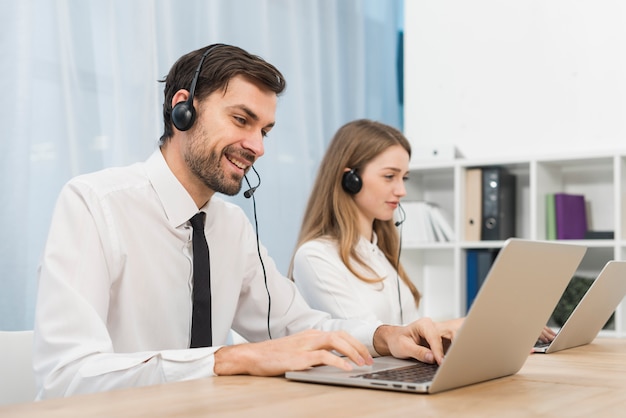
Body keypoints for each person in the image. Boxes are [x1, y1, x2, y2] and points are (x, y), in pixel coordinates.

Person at [33, 44, 456, 400]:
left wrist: (386, 337)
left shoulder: (230, 227)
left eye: (265, 131)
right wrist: (230, 358)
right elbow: (66, 376)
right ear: (183, 109)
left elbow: (303, 327)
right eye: (241, 120)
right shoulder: (94, 204)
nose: (256, 146)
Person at [289, 119, 555, 341]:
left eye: (403, 178)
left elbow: (414, 333)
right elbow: (371, 336)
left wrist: (494, 333)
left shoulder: (379, 253)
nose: (401, 191)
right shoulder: (315, 257)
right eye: (389, 176)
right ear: (350, 179)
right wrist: (456, 326)